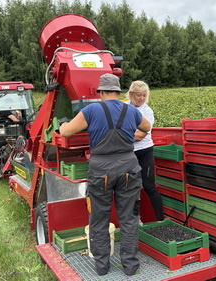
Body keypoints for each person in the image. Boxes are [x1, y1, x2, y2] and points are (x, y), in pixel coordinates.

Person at [59, 73, 151, 276]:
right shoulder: (130, 110)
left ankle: (102, 268)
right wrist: (131, 134)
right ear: (118, 92)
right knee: (129, 219)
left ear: (100, 92)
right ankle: (130, 266)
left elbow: (65, 133)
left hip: (101, 171)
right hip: (129, 168)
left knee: (99, 219)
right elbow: (147, 127)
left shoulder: (91, 110)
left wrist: (63, 123)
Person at [127, 81, 164, 222]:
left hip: (144, 151)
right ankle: (135, 221)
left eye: (144, 95)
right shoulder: (124, 107)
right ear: (131, 94)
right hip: (129, 153)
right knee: (130, 189)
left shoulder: (147, 111)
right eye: (138, 95)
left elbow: (140, 135)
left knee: (149, 186)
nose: (141, 98)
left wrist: (120, 136)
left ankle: (160, 220)